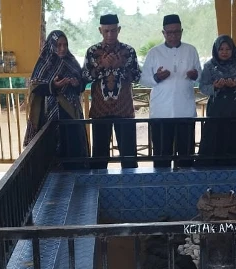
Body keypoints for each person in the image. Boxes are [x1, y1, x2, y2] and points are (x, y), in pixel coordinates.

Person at [140, 14, 202, 168]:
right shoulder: (154, 53)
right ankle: (162, 190)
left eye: (177, 32)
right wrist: (156, 77)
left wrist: (195, 76)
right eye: (169, 32)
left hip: (185, 111)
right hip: (161, 113)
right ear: (163, 33)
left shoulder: (191, 50)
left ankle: (185, 190)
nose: (173, 36)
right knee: (162, 158)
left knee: (186, 158)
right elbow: (143, 80)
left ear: (182, 31)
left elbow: (200, 77)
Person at [23, 30, 89, 168]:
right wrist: (53, 85)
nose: (62, 48)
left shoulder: (72, 61)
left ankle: (76, 175)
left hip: (71, 113)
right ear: (51, 45)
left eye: (65, 45)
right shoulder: (44, 62)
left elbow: (81, 85)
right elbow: (35, 86)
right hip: (49, 115)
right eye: (58, 45)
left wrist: (77, 84)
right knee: (51, 149)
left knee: (73, 146)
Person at [82, 14, 141, 169]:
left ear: (119, 29)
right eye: (106, 31)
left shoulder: (129, 51)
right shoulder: (92, 51)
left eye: (113, 31)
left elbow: (137, 77)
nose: (110, 34)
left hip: (124, 110)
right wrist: (101, 65)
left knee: (128, 155)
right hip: (100, 111)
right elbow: (85, 77)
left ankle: (131, 189)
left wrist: (120, 65)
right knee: (100, 156)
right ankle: (97, 189)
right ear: (100, 30)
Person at [197, 35, 236, 167]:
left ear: (233, 50)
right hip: (216, 110)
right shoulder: (209, 66)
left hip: (235, 109)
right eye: (221, 49)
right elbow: (202, 87)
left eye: (227, 49)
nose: (224, 52)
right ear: (216, 50)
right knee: (214, 140)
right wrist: (215, 86)